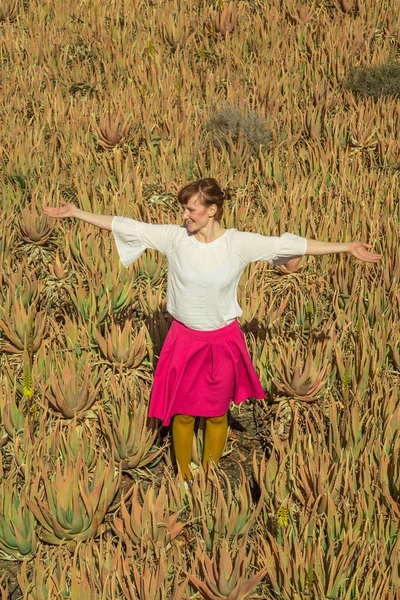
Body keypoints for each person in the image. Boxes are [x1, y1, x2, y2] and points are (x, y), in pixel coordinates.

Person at [43, 178, 382, 489]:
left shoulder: (238, 244)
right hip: (183, 339)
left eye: (191, 209)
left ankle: (209, 473)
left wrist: (346, 247)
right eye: (184, 209)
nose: (185, 215)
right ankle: (185, 476)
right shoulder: (175, 238)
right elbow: (125, 225)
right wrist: (76, 212)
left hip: (222, 340)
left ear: (212, 211)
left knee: (218, 413)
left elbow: (293, 244)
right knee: (183, 412)